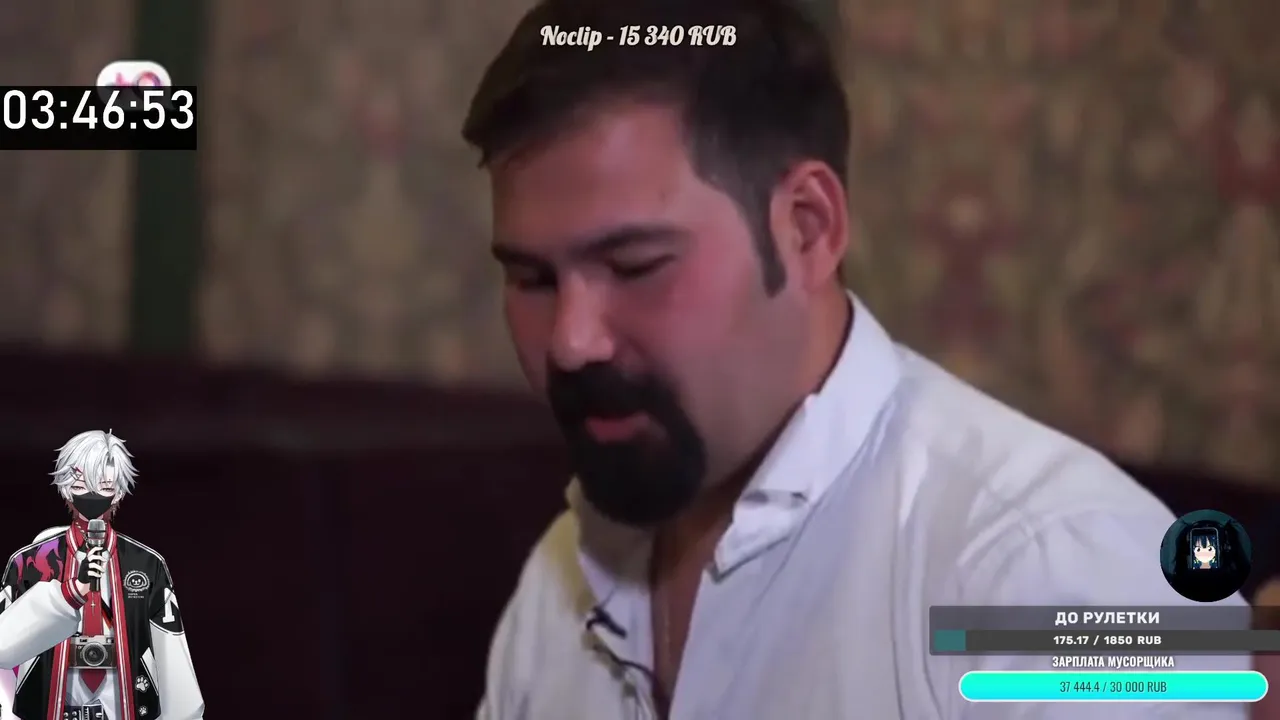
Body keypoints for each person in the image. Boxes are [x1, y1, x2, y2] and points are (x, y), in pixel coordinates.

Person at [463, 0, 1251, 717]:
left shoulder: (1055, 575)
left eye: (635, 265)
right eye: (532, 279)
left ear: (806, 228)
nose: (571, 341)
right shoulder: (564, 574)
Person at [0, 430, 204, 720]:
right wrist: (69, 593)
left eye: (105, 486)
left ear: (119, 491)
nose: (92, 495)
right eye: (80, 485)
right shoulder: (31, 562)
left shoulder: (147, 564)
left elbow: (173, 660)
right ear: (66, 489)